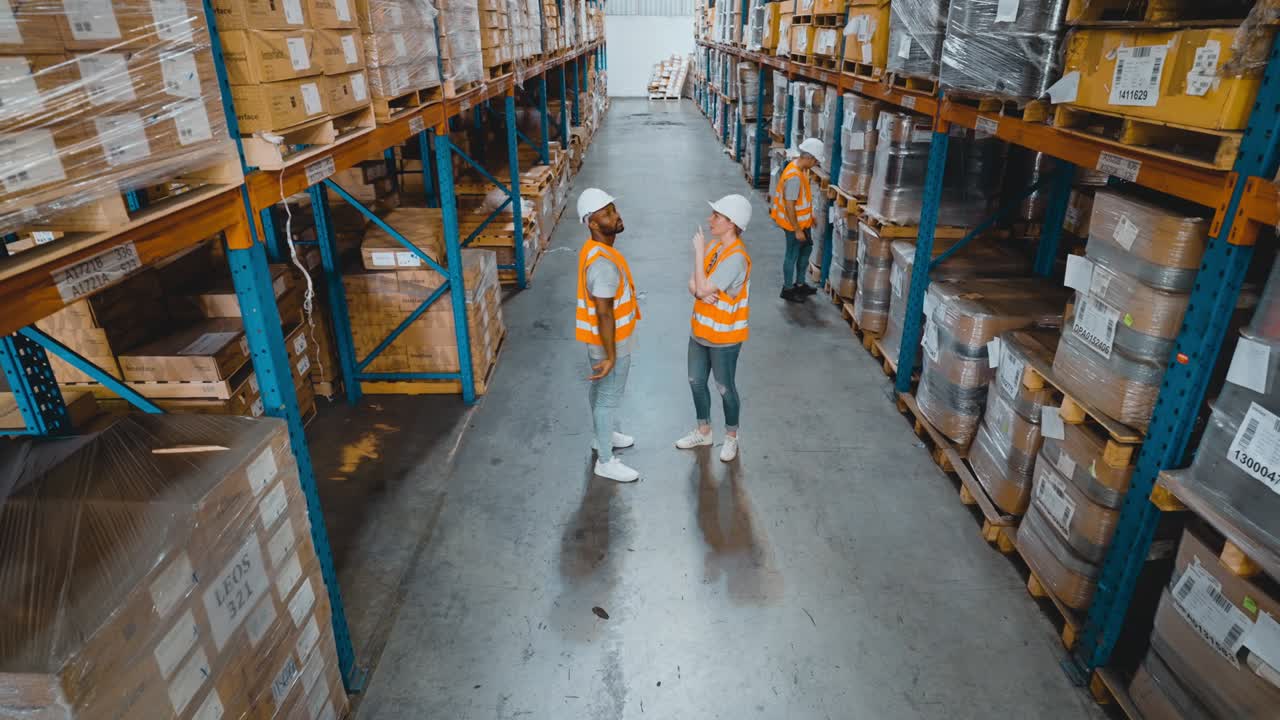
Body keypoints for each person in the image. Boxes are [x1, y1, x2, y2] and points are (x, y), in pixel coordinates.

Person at [675, 194, 753, 463]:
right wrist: (700, 290)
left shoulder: (736, 258)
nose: (710, 220)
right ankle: (704, 431)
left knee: (724, 387)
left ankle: (731, 437)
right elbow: (692, 284)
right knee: (695, 381)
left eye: (717, 216)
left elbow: (703, 286)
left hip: (725, 337)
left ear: (731, 224)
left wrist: (698, 257)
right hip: (700, 331)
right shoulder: (715, 247)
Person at [575, 188, 642, 483]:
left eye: (614, 209)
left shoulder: (596, 250)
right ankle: (605, 460)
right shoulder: (602, 264)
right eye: (607, 214)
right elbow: (604, 313)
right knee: (608, 400)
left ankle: (602, 436)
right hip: (610, 343)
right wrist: (612, 354)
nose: (616, 216)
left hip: (600, 342)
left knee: (601, 393)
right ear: (592, 223)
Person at [770, 137, 824, 303]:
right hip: (794, 226)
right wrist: (797, 230)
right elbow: (789, 206)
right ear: (808, 157)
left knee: (804, 252)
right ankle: (788, 289)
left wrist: (810, 217)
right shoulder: (794, 177)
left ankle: (800, 284)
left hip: (803, 223)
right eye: (815, 160)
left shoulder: (799, 170)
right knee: (792, 255)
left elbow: (802, 201)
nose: (815, 164)